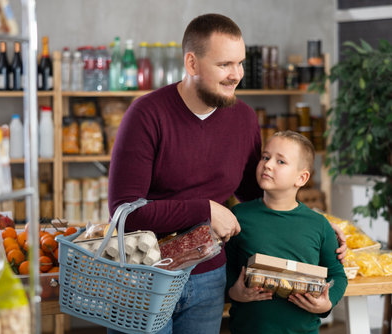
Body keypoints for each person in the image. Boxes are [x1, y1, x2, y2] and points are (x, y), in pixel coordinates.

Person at [108, 13, 346, 334]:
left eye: (241, 63)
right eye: (225, 65)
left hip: (209, 280)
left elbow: (257, 196)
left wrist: (316, 224)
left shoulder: (244, 118)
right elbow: (125, 214)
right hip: (145, 277)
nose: (237, 75)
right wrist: (205, 208)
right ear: (192, 64)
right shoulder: (146, 115)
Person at [225, 131, 348, 334]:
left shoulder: (319, 225)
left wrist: (327, 304)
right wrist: (233, 291)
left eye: (280, 161)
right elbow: (224, 268)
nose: (268, 164)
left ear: (301, 177)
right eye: (265, 157)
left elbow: (337, 275)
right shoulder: (238, 217)